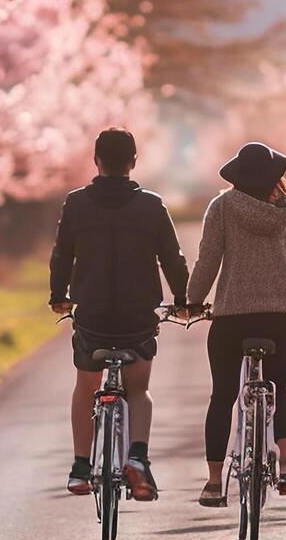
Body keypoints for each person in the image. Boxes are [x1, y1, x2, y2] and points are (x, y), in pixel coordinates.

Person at [49, 127, 188, 501]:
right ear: (133, 162)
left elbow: (63, 254)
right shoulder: (152, 205)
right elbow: (171, 258)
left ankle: (81, 467)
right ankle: (138, 458)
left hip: (92, 314)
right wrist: (183, 298)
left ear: (96, 160)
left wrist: (58, 295)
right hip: (137, 316)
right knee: (138, 389)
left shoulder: (76, 203)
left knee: (85, 387)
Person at [185, 141, 286, 507]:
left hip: (232, 318)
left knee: (222, 396)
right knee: (282, 390)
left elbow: (208, 261)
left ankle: (214, 483)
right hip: (283, 318)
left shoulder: (222, 207)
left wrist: (193, 301)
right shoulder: (285, 210)